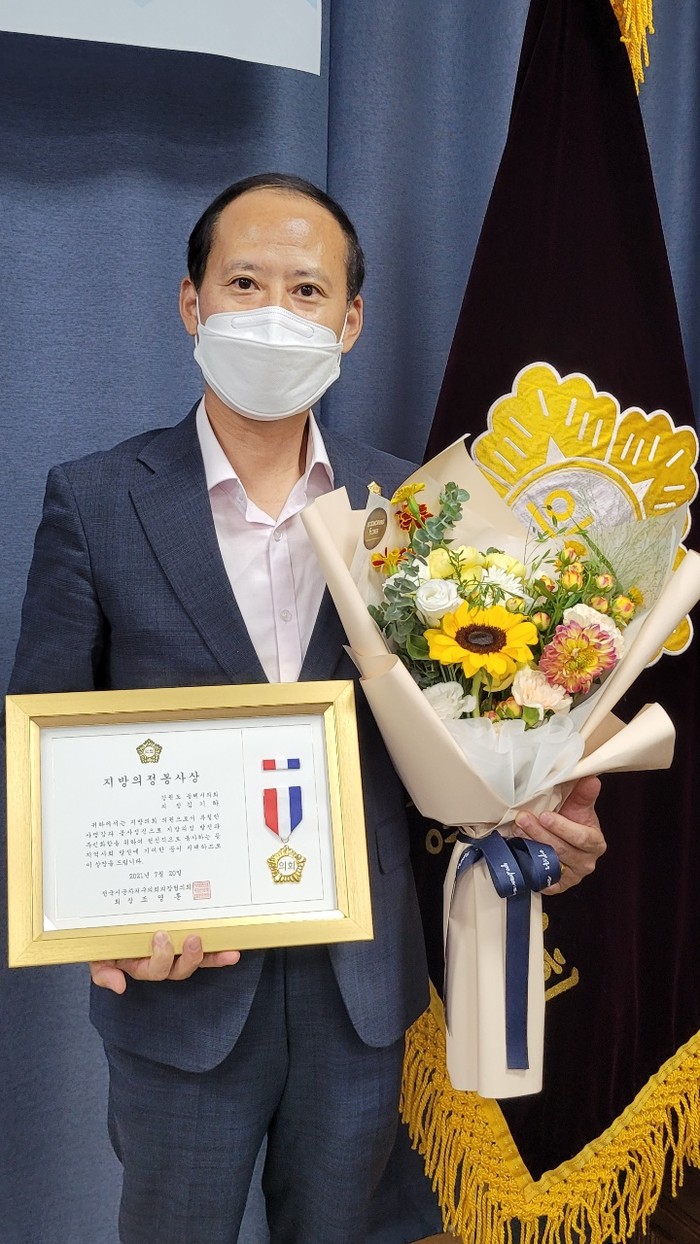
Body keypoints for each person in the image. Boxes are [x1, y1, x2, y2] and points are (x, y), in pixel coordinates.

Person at [7, 173, 606, 1244]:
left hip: (359, 992)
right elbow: (39, 747)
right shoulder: (95, 500)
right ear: (191, 302)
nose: (274, 313)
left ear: (351, 320)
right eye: (244, 283)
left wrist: (538, 813)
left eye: (307, 289)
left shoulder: (416, 509)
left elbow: (475, 728)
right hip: (178, 985)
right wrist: (96, 924)